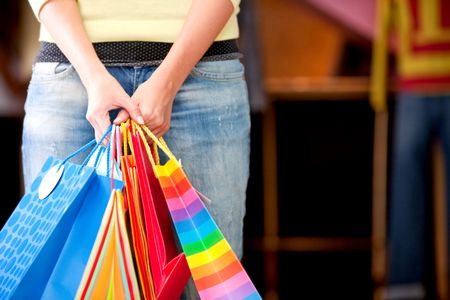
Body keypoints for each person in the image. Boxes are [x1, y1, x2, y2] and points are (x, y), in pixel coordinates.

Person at [23, 0, 250, 298]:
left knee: (211, 286)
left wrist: (168, 79)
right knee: (58, 289)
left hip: (201, 70)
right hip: (71, 72)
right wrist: (93, 76)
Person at [371, 0, 450, 299]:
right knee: (406, 188)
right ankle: (404, 285)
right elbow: (384, 26)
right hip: (413, 85)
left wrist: (378, 88)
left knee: (408, 185)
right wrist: (379, 87)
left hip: (419, 86)